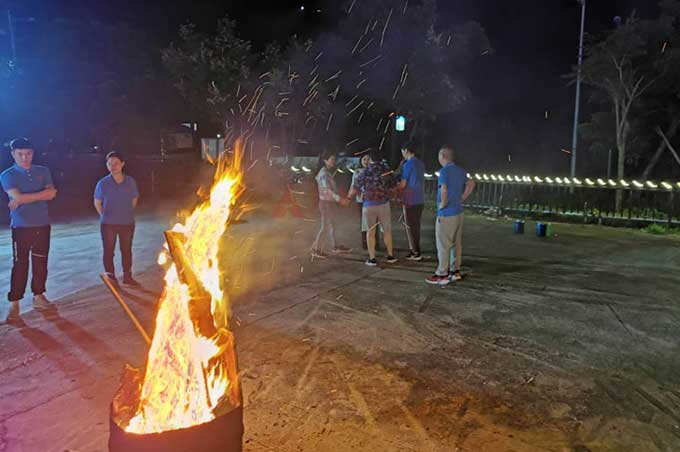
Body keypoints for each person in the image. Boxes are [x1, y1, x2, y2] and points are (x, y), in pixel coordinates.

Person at [0, 138, 57, 322]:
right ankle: (14, 303)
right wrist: (39, 195)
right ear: (13, 154)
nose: (25, 158)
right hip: (21, 226)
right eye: (20, 154)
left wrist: (22, 198)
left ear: (33, 153)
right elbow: (18, 196)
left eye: (28, 154)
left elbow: (52, 193)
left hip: (42, 223)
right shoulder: (8, 175)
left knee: (41, 262)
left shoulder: (43, 171)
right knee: (20, 264)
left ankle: (39, 296)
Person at [426, 146, 475, 285]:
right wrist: (462, 198)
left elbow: (444, 190)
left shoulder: (444, 171)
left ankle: (442, 274)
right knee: (456, 244)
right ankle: (455, 271)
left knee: (443, 244)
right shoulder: (460, 170)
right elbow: (471, 183)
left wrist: (442, 204)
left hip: (447, 213)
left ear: (442, 155)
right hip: (459, 212)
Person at [94, 152, 141, 286]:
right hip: (108, 224)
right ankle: (111, 278)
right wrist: (105, 216)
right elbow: (97, 202)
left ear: (122, 164)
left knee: (126, 250)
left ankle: (127, 276)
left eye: (116, 163)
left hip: (127, 222)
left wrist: (125, 212)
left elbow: (134, 199)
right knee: (109, 251)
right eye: (110, 164)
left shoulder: (130, 182)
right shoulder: (103, 183)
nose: (113, 166)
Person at [347, 151, 398, 266]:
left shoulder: (365, 171)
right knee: (387, 230)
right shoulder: (386, 170)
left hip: (369, 205)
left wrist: (348, 198)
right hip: (384, 204)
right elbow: (394, 186)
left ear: (371, 159)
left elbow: (355, 187)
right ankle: (390, 255)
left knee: (370, 232)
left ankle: (372, 258)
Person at [311, 150, 351, 258]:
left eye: (334, 159)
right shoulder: (324, 173)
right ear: (325, 160)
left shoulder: (326, 171)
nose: (334, 161)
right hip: (326, 203)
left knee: (333, 224)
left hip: (329, 203)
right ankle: (316, 249)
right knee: (325, 227)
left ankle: (336, 246)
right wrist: (340, 199)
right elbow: (328, 190)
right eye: (332, 159)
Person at [399, 142, 425, 260]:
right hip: (420, 198)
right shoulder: (420, 163)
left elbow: (403, 184)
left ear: (406, 151)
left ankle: (415, 252)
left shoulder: (408, 165)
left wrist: (395, 187)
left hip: (410, 199)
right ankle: (416, 250)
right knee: (416, 226)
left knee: (410, 226)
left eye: (402, 152)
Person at [351, 154, 371, 249]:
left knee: (373, 222)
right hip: (361, 201)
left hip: (371, 201)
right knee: (364, 223)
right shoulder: (357, 171)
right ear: (361, 160)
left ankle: (374, 243)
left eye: (368, 159)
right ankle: (365, 243)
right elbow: (353, 185)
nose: (366, 161)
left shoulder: (373, 171)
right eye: (364, 159)